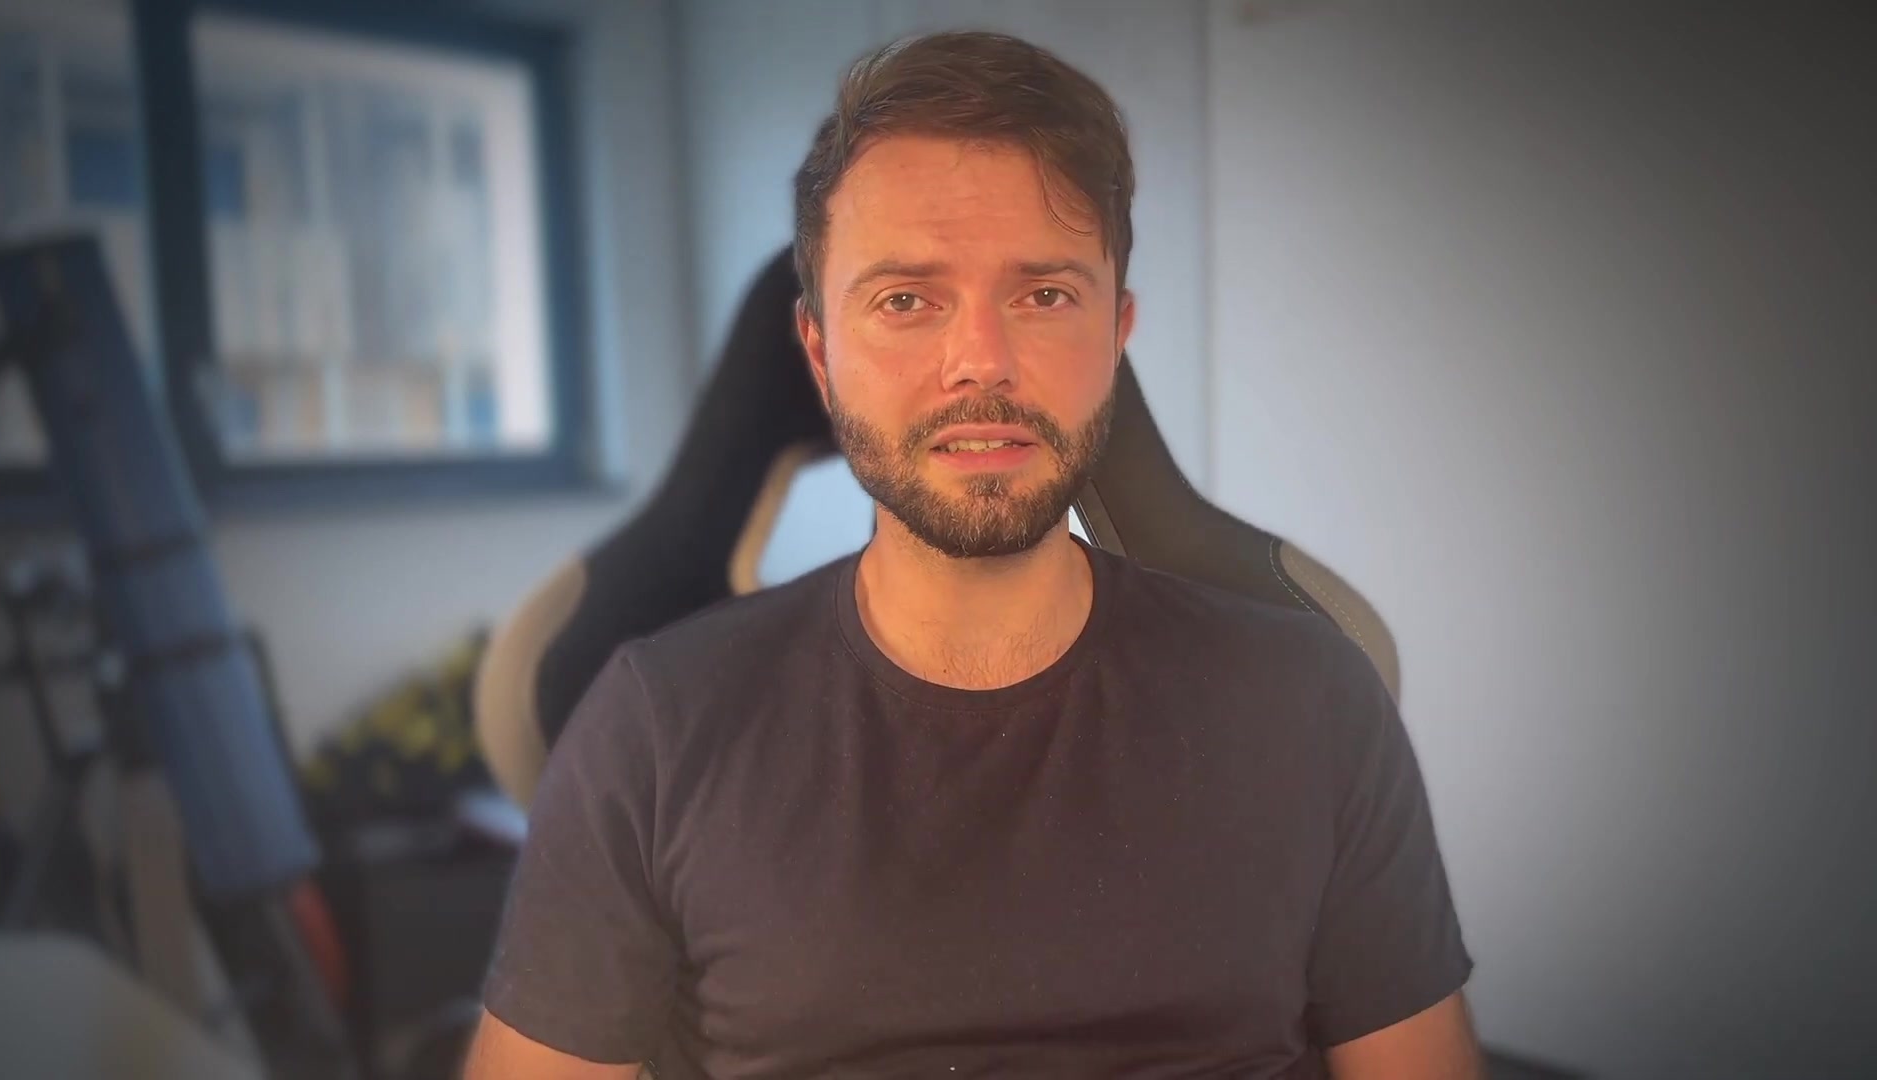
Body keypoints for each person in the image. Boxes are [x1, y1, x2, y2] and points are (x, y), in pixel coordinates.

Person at [466, 29, 1479, 1080]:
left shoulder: (1310, 702)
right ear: (820, 353)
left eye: (1044, 295)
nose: (981, 362)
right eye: (906, 300)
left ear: (1116, 333)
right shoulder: (654, 731)